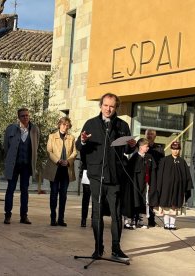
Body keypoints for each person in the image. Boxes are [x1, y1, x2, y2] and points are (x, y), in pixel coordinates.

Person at [75, 93, 136, 261]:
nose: (108, 109)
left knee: (116, 215)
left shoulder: (122, 126)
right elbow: (79, 146)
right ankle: (98, 248)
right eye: (105, 105)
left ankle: (116, 248)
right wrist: (83, 140)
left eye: (112, 106)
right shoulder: (91, 124)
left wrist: (132, 146)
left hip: (115, 177)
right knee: (97, 213)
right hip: (96, 176)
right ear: (100, 105)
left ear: (116, 107)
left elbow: (127, 151)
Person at [3, 108, 40, 225]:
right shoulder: (11, 129)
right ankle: (7, 215)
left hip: (26, 166)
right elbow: (6, 147)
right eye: (23, 116)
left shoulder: (35, 130)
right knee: (10, 190)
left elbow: (36, 147)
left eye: (27, 115)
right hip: (13, 165)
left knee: (25, 191)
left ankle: (24, 216)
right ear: (18, 117)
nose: (26, 117)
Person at [43, 117, 77, 227]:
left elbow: (74, 153)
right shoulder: (52, 137)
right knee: (53, 195)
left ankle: (61, 219)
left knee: (63, 195)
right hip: (55, 170)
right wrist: (58, 160)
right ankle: (53, 218)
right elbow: (49, 151)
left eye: (67, 125)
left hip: (66, 170)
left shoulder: (71, 138)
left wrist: (68, 161)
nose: (65, 127)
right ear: (59, 125)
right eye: (63, 124)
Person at [156, 141, 193, 230]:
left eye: (177, 149)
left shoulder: (182, 161)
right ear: (171, 149)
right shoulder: (165, 160)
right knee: (166, 206)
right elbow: (160, 174)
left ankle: (172, 224)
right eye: (174, 149)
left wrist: (186, 187)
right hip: (166, 188)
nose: (175, 151)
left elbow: (186, 176)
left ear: (179, 150)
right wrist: (159, 186)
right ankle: (166, 223)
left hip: (178, 188)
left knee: (174, 206)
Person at [124, 138, 157, 229]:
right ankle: (134, 220)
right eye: (146, 146)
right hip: (135, 184)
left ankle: (140, 220)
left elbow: (152, 171)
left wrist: (152, 184)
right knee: (135, 201)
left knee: (144, 202)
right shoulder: (134, 158)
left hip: (145, 184)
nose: (148, 148)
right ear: (141, 147)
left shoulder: (149, 157)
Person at [144, 128, 164, 227]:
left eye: (151, 134)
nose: (149, 136)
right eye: (148, 134)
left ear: (155, 136)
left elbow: (162, 163)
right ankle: (137, 219)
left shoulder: (159, 148)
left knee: (151, 197)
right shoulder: (141, 146)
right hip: (142, 175)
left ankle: (151, 220)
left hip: (154, 176)